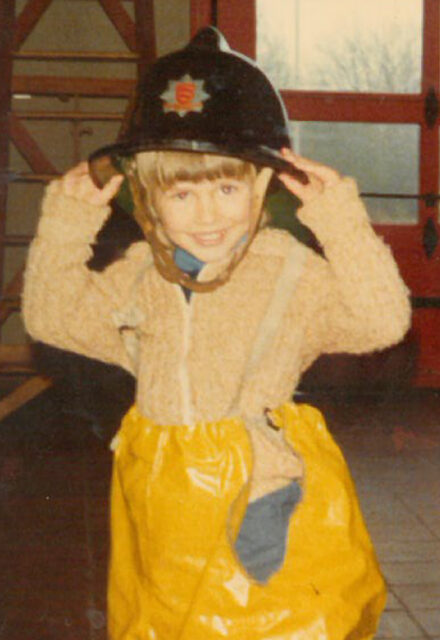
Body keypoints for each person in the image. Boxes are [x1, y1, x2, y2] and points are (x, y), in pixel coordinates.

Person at [22, 27, 411, 640]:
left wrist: (340, 221)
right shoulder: (142, 274)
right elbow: (53, 318)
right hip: (161, 501)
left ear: (261, 187)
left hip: (259, 503)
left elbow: (380, 321)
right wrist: (68, 224)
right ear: (147, 199)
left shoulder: (286, 268)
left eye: (227, 188)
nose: (207, 216)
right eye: (182, 193)